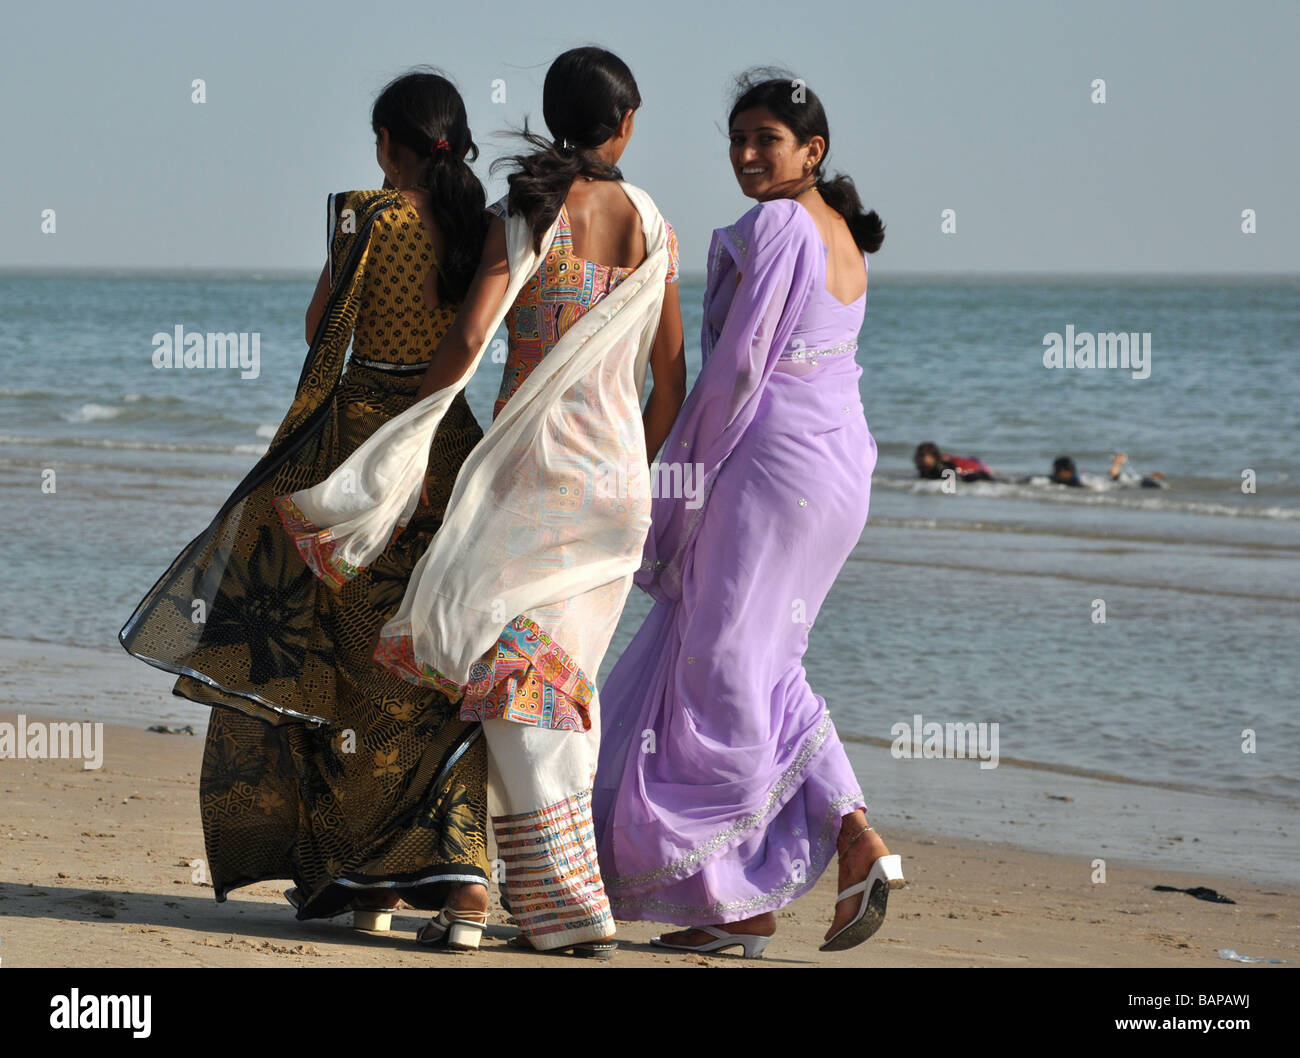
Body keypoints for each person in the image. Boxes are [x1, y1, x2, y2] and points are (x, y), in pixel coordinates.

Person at [277, 46, 685, 956]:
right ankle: (547, 903)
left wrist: (409, 424)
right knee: (554, 682)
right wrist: (630, 468)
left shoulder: (527, 215)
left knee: (513, 685)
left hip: (531, 479)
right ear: (625, 125)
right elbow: (671, 376)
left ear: (549, 117)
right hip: (616, 492)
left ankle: (556, 905)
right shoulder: (657, 224)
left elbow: (469, 335)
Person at [119, 71, 493, 928]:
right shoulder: (490, 223)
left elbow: (319, 327)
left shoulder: (367, 217)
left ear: (388, 145)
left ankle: (371, 880)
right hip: (450, 453)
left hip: (362, 454)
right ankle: (462, 875)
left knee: (357, 667)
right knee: (442, 664)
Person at [593, 72, 903, 958]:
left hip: (770, 470)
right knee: (765, 660)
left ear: (813, 150)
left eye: (766, 139)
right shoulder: (843, 235)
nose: (746, 156)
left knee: (722, 667)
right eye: (737, 139)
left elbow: (737, 373)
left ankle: (736, 904)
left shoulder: (778, 224)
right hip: (837, 469)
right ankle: (852, 837)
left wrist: (676, 477)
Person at [914, 441, 996, 482]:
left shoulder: (941, 468)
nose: (918, 458)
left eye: (922, 455)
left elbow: (956, 480)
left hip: (979, 471)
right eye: (918, 455)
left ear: (934, 457)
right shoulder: (926, 469)